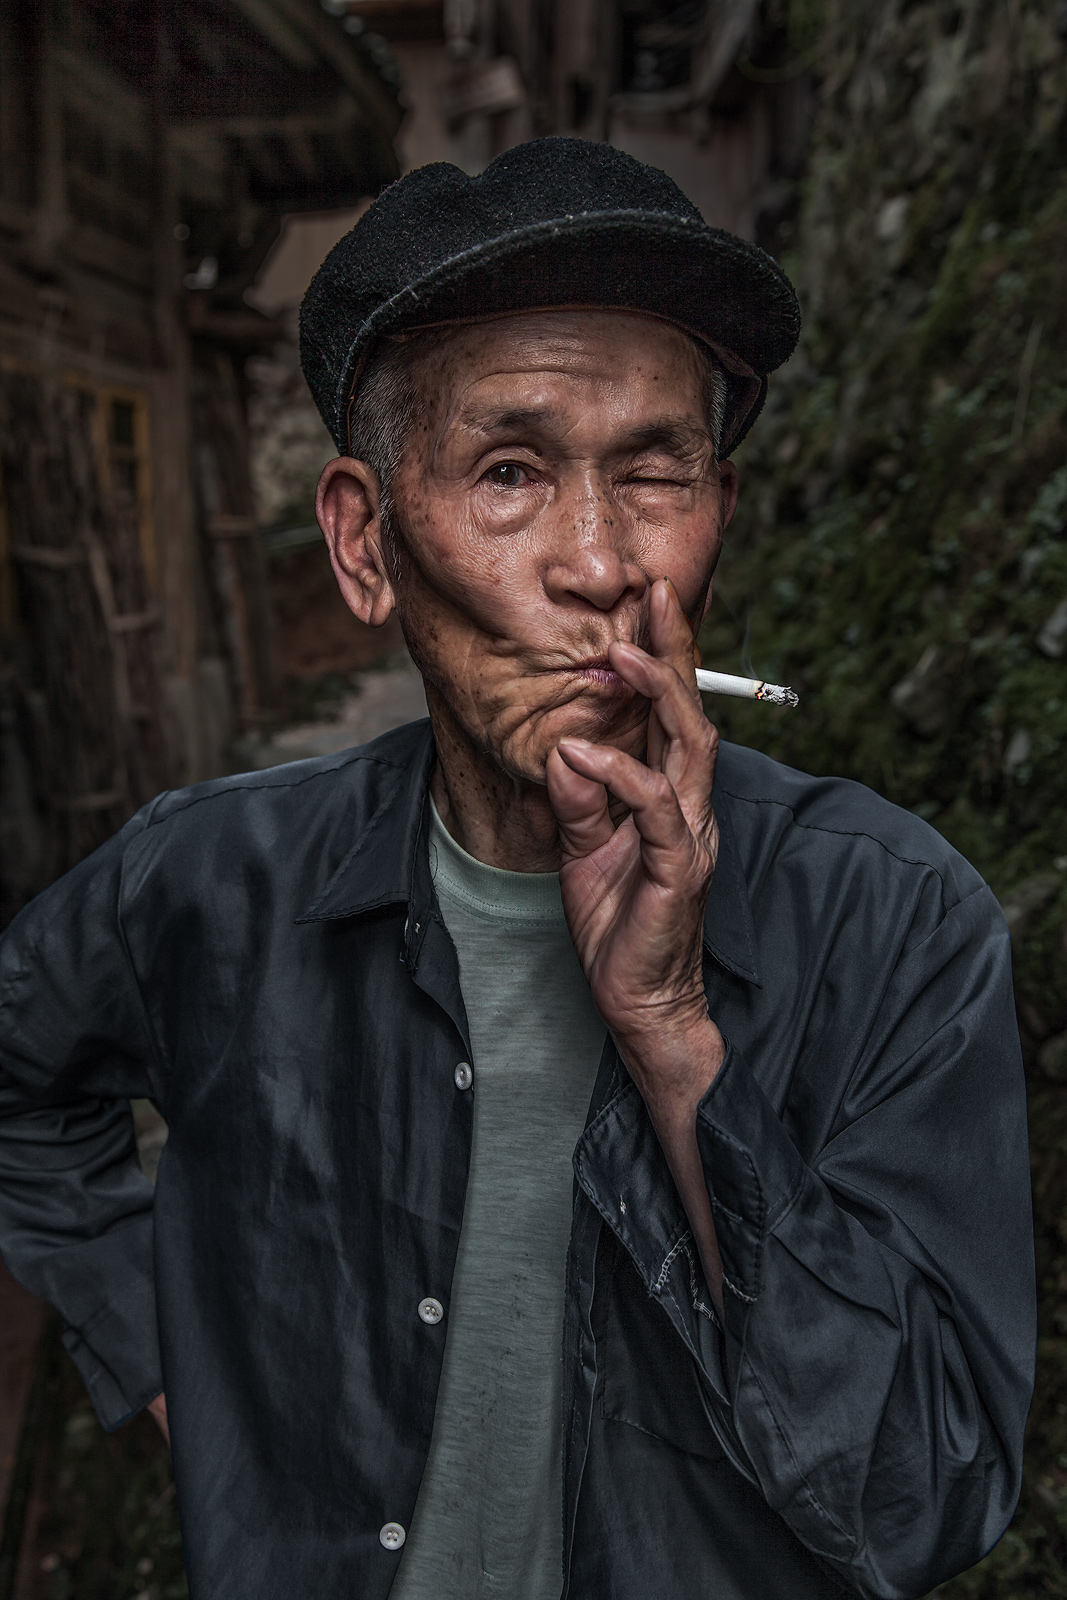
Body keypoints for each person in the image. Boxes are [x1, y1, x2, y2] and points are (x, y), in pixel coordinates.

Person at [0, 138, 1034, 1600]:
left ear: (719, 515)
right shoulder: (214, 879)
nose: (603, 563)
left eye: (655, 472)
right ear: (366, 545)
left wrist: (675, 1043)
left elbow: (921, 1500)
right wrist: (175, 1372)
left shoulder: (893, 921)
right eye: (510, 472)